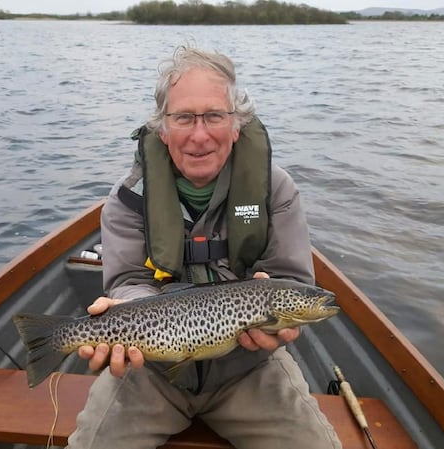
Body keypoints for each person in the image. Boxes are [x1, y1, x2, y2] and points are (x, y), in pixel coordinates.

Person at [66, 45, 342, 449]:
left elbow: (293, 279)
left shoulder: (274, 188)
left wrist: (279, 327)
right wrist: (126, 311)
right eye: (184, 118)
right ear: (162, 128)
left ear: (236, 125)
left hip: (250, 368)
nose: (199, 135)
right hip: (152, 369)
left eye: (214, 116)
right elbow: (126, 279)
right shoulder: (128, 197)